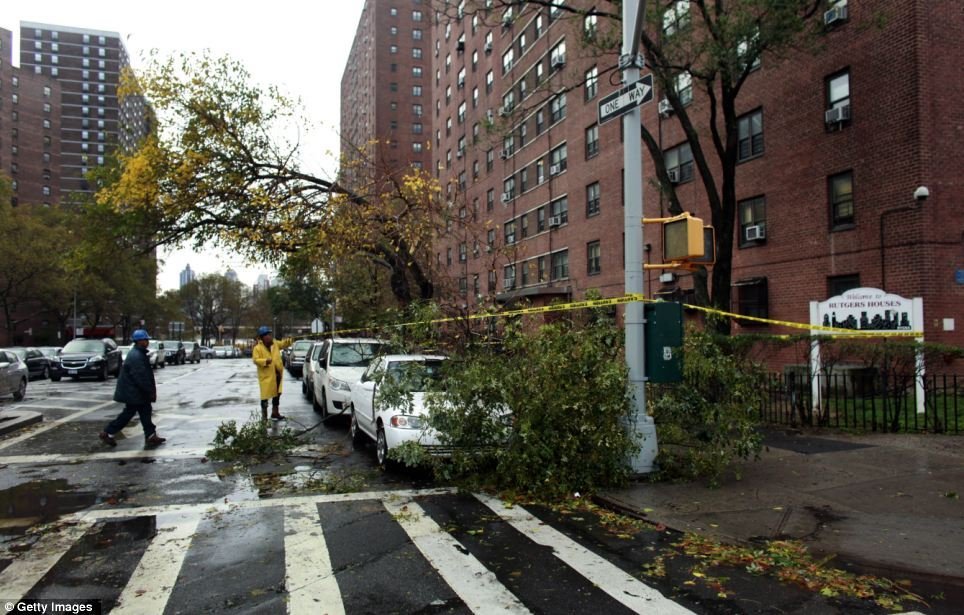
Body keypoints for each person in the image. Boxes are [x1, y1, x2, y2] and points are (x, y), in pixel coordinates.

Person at [100, 329, 166, 447]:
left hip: (135, 392)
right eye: (145, 339)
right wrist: (149, 391)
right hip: (135, 393)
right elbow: (140, 377)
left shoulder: (138, 353)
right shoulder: (136, 356)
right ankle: (108, 432)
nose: (147, 341)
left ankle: (151, 435)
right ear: (139, 341)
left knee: (145, 412)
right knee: (129, 414)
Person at [252, 326, 292, 421]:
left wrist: (290, 340)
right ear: (263, 337)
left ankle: (275, 412)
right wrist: (265, 361)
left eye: (270, 334)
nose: (270, 337)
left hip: (277, 374)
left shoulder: (275, 344)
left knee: (277, 394)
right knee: (265, 397)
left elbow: (283, 344)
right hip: (266, 377)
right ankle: (264, 417)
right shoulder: (258, 348)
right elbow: (255, 360)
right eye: (268, 335)